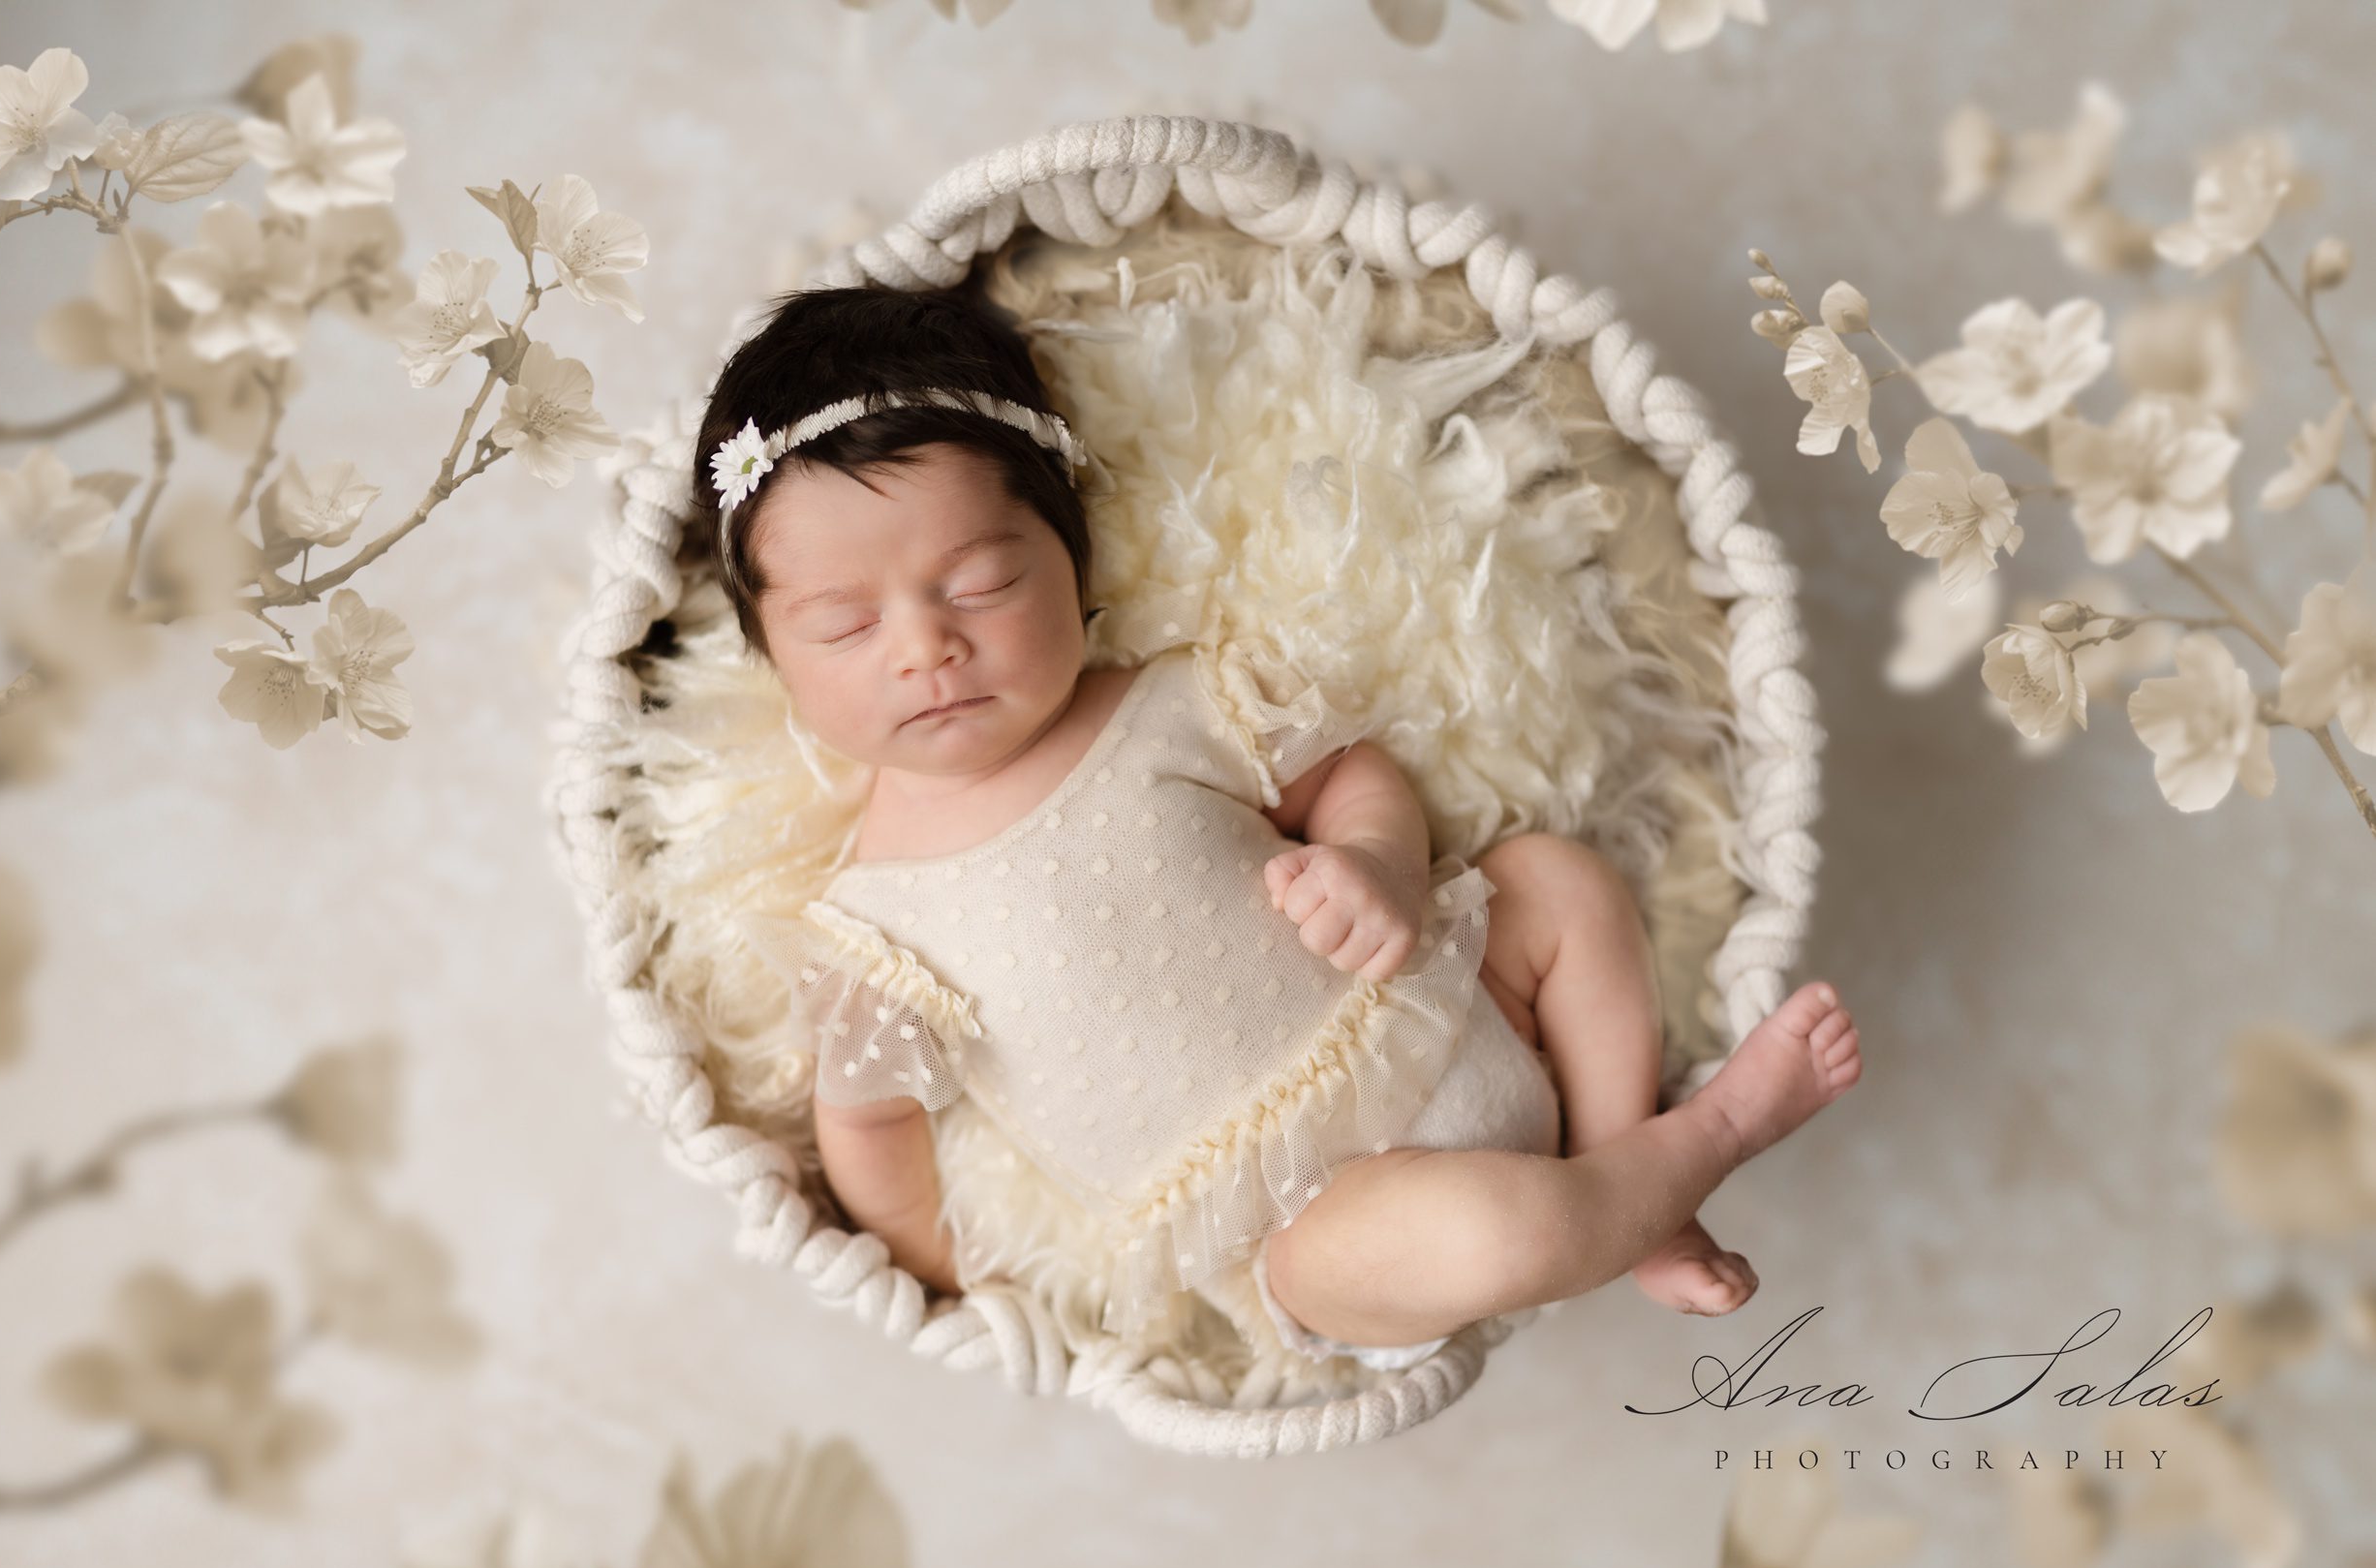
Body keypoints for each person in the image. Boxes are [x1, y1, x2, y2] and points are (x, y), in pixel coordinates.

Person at [701, 281, 1863, 1368]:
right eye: (846, 625)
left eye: (979, 583)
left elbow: (1349, 773)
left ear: (1068, 550)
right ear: (774, 657)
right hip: (1316, 1223)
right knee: (1496, 1231)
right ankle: (1703, 1139)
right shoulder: (873, 921)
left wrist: (1376, 861)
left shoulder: (1171, 703)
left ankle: (1629, 1174)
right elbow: (870, 1132)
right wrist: (952, 1280)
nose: (924, 647)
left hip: (1455, 1001)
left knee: (1556, 881)